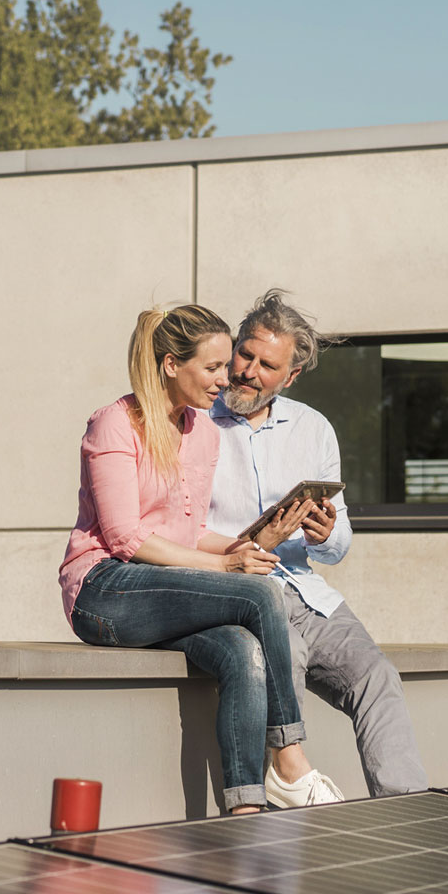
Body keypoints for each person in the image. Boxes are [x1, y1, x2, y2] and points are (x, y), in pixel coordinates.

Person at [59, 303, 341, 814]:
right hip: (104, 589)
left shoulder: (202, 432)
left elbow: (190, 531)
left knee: (241, 650)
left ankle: (246, 805)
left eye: (222, 364)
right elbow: (125, 538)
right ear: (171, 365)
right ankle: (290, 757)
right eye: (212, 367)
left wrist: (241, 547)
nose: (224, 378)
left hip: (163, 585)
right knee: (260, 592)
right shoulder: (114, 425)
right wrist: (229, 569)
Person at [206, 289, 429, 801]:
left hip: (307, 589)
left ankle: (406, 806)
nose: (248, 372)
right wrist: (252, 543)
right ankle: (291, 802)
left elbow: (338, 545)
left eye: (268, 365)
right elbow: (180, 525)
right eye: (246, 354)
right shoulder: (197, 422)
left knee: (378, 678)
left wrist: (327, 534)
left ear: (291, 376)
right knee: (289, 657)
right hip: (246, 586)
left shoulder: (313, 429)